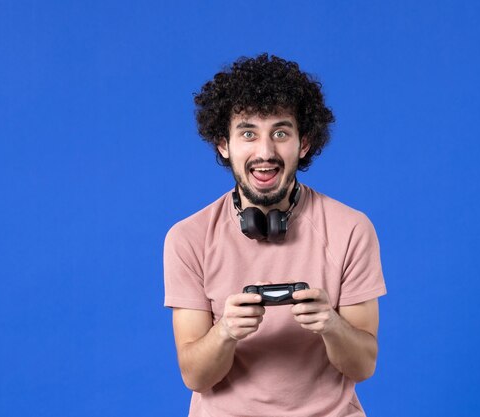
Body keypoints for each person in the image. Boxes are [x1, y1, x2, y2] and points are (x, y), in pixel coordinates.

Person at [163, 53, 387, 417]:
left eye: (280, 133)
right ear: (223, 144)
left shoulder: (351, 229)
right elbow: (195, 376)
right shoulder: (188, 238)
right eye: (248, 133)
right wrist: (225, 333)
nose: (265, 153)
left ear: (304, 143)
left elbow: (363, 367)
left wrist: (331, 325)